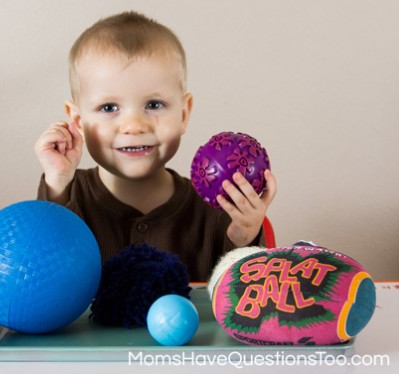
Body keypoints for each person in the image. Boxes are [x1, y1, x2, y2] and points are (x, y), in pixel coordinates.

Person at [34, 11, 277, 281]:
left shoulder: (217, 209)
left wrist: (244, 235)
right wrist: (57, 186)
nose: (134, 125)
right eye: (109, 107)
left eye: (154, 105)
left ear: (183, 114)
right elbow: (40, 276)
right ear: (78, 122)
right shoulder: (68, 195)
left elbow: (246, 300)